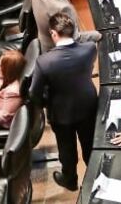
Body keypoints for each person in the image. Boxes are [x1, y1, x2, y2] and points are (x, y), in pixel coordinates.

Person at [29, 12, 98, 192]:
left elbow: (34, 95)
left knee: (66, 149)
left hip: (61, 112)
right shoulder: (90, 48)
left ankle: (69, 179)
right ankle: (94, 182)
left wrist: (46, 102)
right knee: (90, 145)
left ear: (53, 33)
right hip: (88, 106)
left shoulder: (44, 62)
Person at [29, 0, 100, 53]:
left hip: (43, 42)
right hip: (58, 49)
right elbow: (75, 38)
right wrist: (97, 35)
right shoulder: (63, 8)